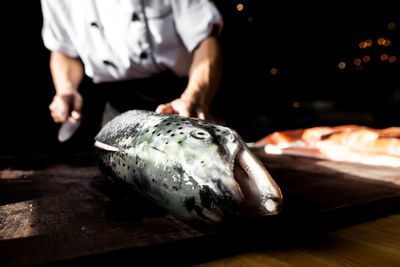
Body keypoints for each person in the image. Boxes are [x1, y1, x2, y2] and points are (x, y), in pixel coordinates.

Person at [41, 0, 223, 132]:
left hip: (180, 99)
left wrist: (195, 97)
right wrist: (66, 89)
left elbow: (205, 39)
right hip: (115, 107)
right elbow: (63, 50)